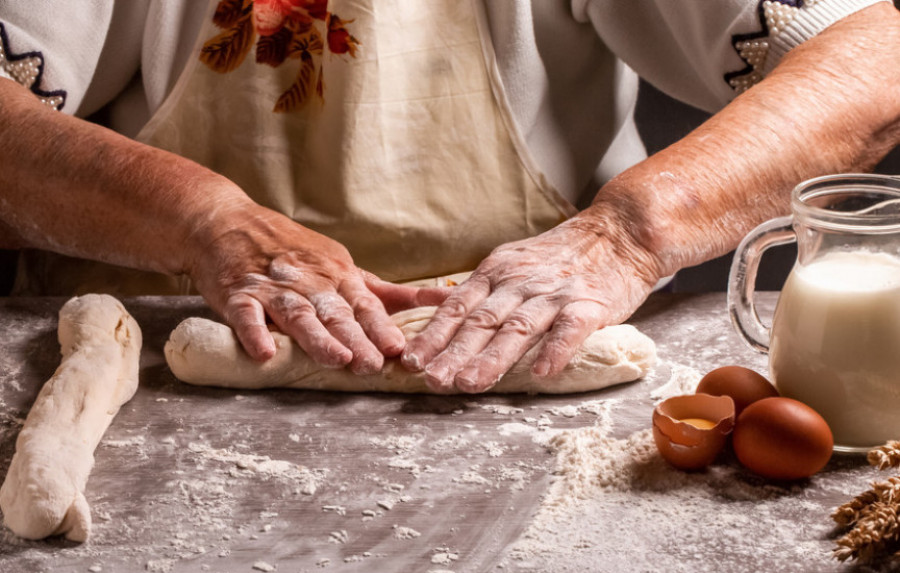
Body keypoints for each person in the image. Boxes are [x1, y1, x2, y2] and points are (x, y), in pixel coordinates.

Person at [0, 0, 898, 393]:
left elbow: (873, 58)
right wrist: (198, 216)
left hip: (530, 347)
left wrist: (625, 236)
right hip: (144, 359)